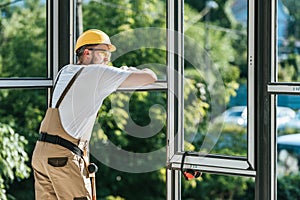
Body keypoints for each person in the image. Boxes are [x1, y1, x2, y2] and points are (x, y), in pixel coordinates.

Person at [31, 29, 157, 199]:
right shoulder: (97, 73)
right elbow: (150, 77)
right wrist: (128, 69)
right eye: (103, 52)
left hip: (41, 155)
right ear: (87, 52)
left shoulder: (65, 71)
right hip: (63, 157)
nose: (107, 59)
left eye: (109, 55)